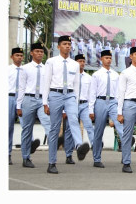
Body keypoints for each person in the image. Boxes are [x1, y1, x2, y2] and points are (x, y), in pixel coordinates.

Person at [42, 36, 90, 173]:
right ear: (58, 46)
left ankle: (79, 146)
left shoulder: (74, 64)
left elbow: (76, 85)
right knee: (54, 129)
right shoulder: (51, 62)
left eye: (69, 44)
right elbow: (46, 82)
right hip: (55, 94)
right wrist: (45, 103)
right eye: (64, 44)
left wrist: (74, 102)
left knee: (74, 119)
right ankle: (52, 163)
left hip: (69, 95)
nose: (67, 46)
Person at [88, 50, 125, 167]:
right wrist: (90, 109)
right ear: (101, 59)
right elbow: (92, 93)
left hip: (113, 102)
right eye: (106, 58)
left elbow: (119, 92)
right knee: (99, 131)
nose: (108, 60)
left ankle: (125, 158)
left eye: (110, 58)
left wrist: (120, 109)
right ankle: (97, 159)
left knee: (121, 129)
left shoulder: (115, 75)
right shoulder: (96, 75)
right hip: (100, 101)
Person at [73, 54, 96, 151]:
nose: (82, 63)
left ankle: (95, 145)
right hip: (73, 105)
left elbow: (91, 95)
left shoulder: (89, 78)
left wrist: (91, 110)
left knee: (89, 126)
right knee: (71, 129)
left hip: (84, 105)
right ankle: (70, 153)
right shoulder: (71, 76)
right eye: (79, 61)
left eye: (83, 61)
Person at [9, 47, 27, 165]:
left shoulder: (26, 70)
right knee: (8, 127)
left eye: (21, 55)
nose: (19, 57)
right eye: (17, 55)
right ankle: (7, 154)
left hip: (23, 98)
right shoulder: (7, 70)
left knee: (25, 124)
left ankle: (27, 152)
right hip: (9, 97)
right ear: (12, 57)